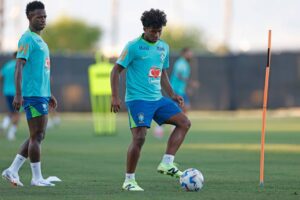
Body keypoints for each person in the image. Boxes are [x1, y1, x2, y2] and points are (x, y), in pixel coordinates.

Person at [110, 9, 191, 191]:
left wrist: (171, 94)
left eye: (159, 31)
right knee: (139, 138)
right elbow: (115, 71)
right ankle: (129, 180)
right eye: (153, 31)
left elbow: (162, 73)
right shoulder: (133, 46)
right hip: (137, 100)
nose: (156, 34)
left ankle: (167, 163)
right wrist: (115, 96)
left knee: (184, 122)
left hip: (158, 99)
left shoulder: (164, 47)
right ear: (145, 28)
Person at [1, 1, 58, 187]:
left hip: (41, 94)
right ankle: (36, 178)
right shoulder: (27, 39)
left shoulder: (40, 40)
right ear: (29, 17)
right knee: (37, 135)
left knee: (38, 135)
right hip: (32, 95)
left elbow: (42, 70)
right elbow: (19, 66)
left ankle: (12, 170)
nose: (42, 20)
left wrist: (49, 93)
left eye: (44, 16)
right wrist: (18, 94)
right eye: (38, 16)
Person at [0, 52, 20, 140]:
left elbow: (0, 77)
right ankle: (11, 133)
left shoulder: (7, 65)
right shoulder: (20, 66)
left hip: (7, 91)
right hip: (17, 93)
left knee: (11, 111)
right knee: (17, 113)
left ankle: (4, 125)